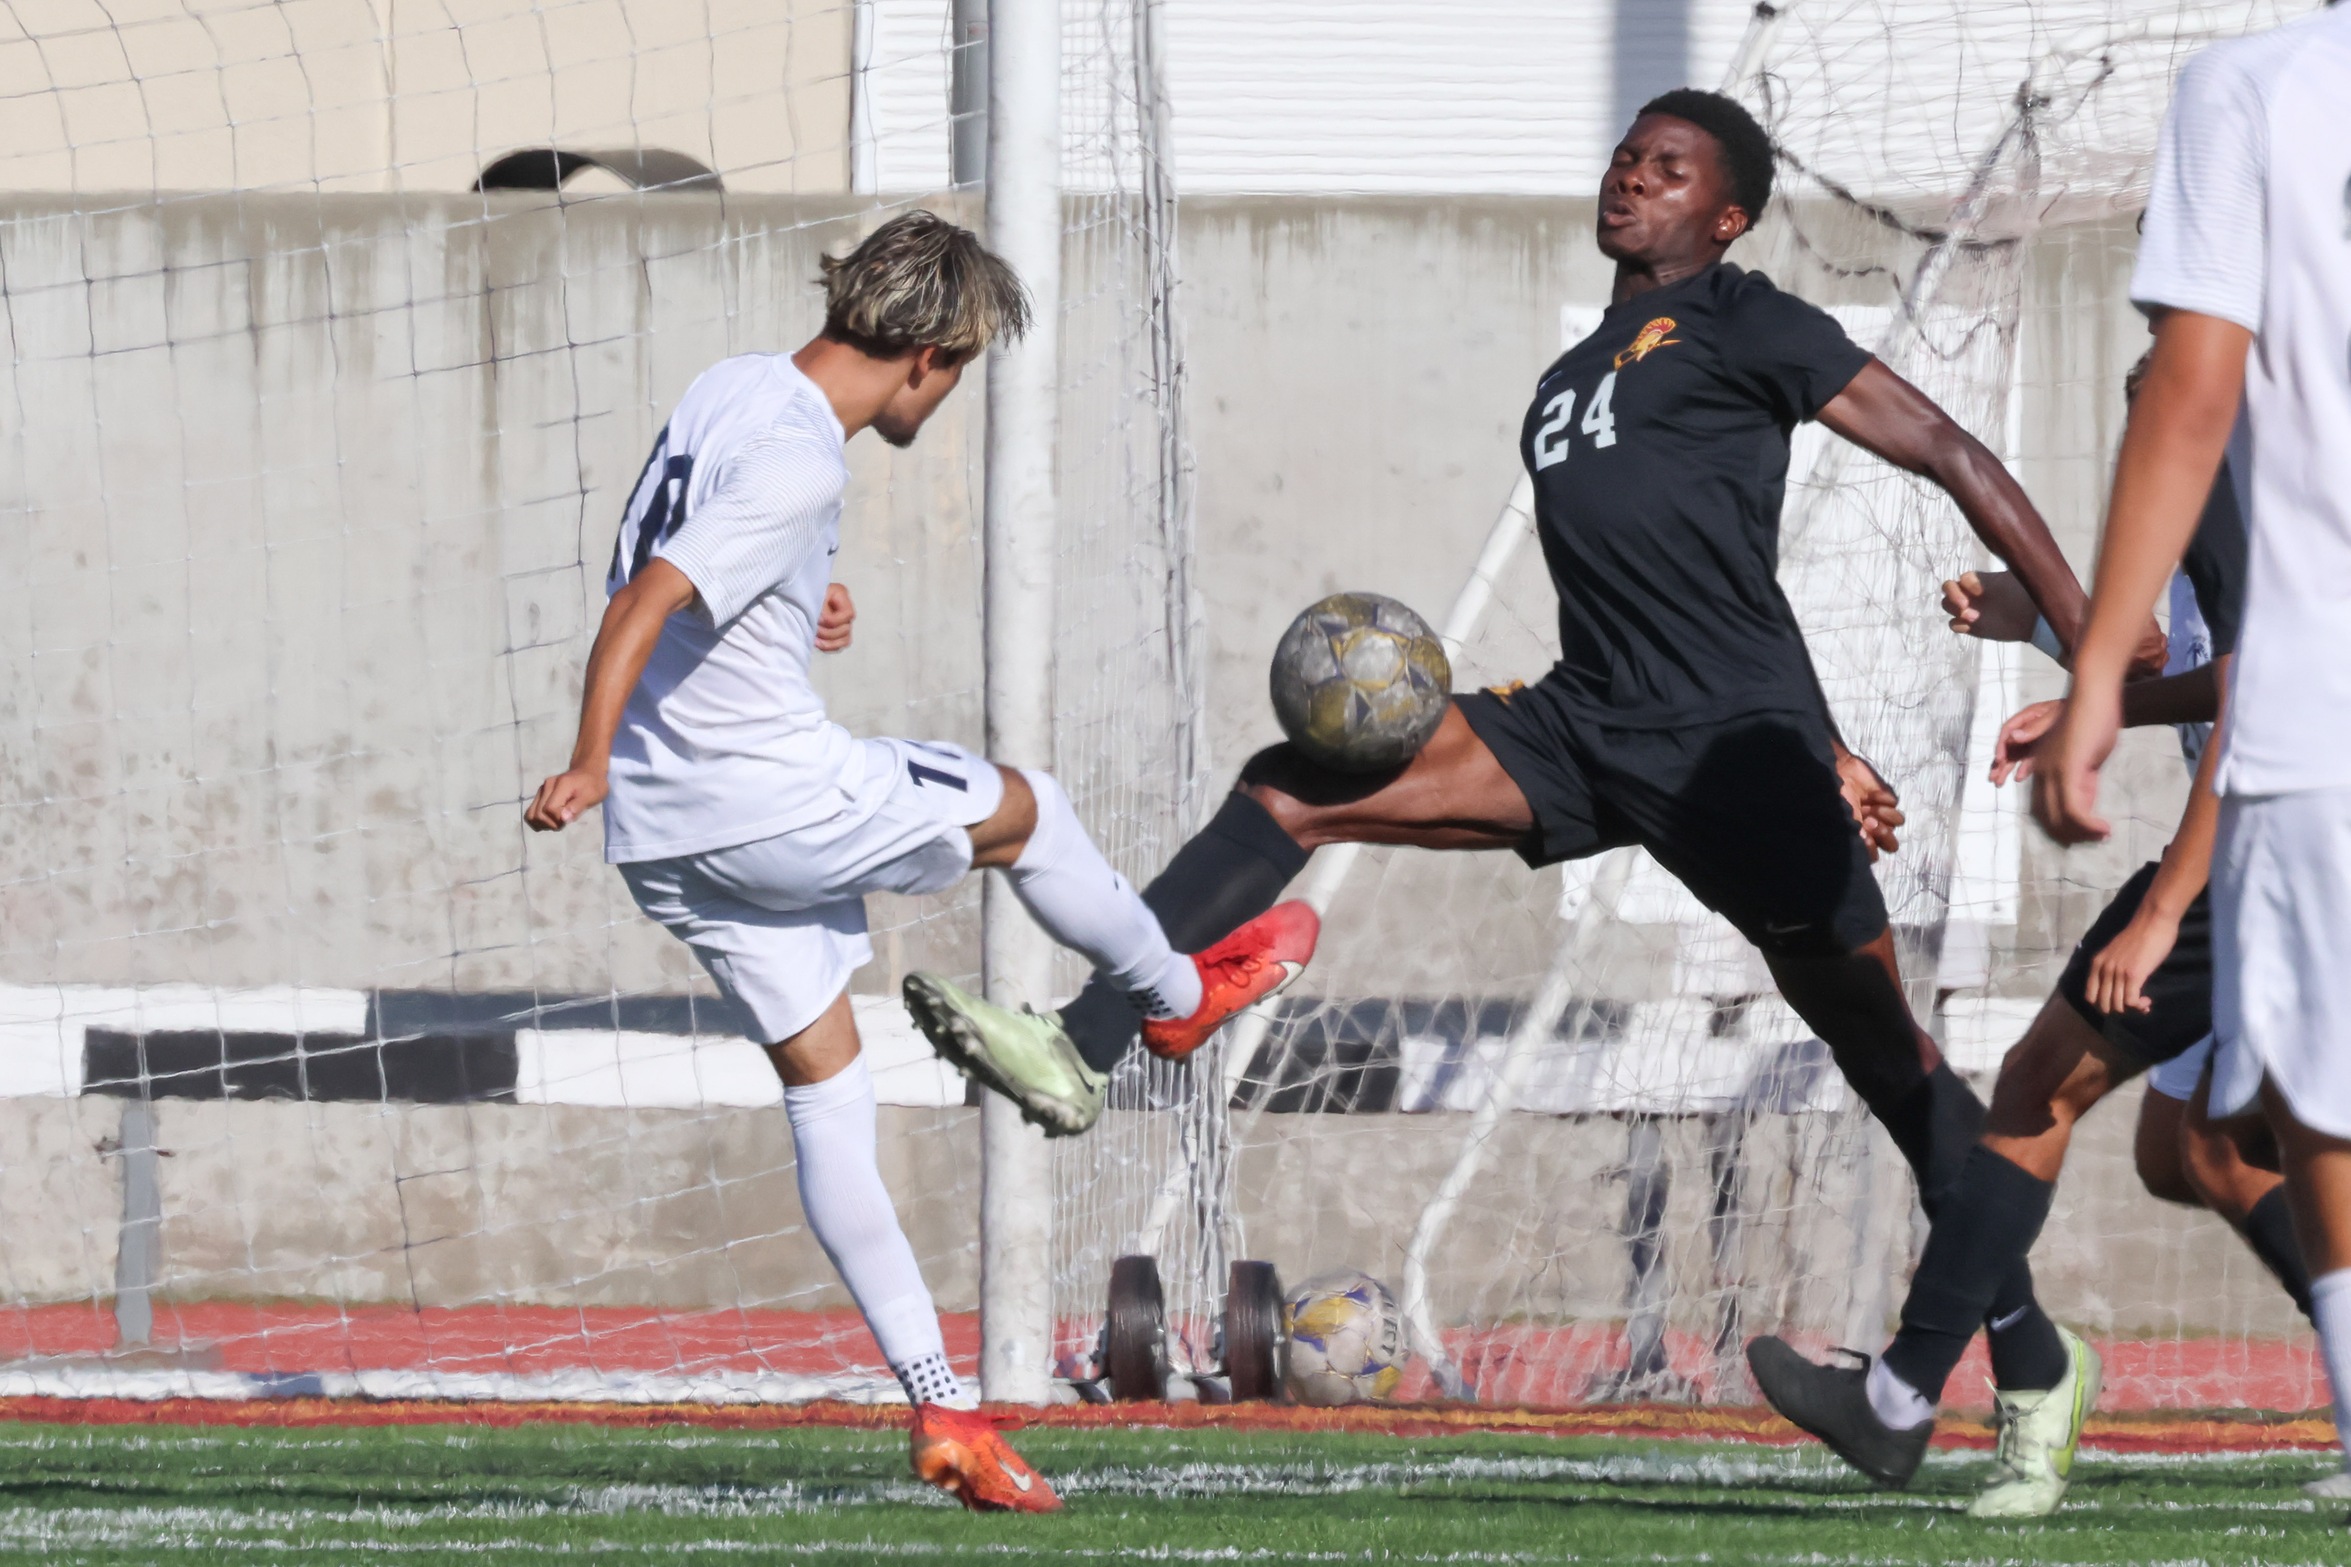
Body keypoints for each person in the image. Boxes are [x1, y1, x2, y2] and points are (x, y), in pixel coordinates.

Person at [905, 89, 2156, 1435]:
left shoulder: (1749, 321)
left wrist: (2081, 652)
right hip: (1585, 725)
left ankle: (2023, 1356)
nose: (1631, 178)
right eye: (1627, 156)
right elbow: (1702, 570)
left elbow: (1947, 452)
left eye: (1668, 169)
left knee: (1890, 1066)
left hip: (1728, 764)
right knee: (1289, 785)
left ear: (1725, 216)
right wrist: (1831, 729)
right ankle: (1088, 1043)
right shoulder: (1568, 380)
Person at [522, 210, 1313, 1511]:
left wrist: (794, 596)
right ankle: (1178, 1005)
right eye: (964, 367)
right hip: (759, 796)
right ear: (930, 355)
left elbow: (697, 552)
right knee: (1026, 808)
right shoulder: (799, 466)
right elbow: (646, 595)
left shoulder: (732, 389)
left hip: (664, 840)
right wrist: (585, 751)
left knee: (827, 1088)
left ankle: (944, 1409)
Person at [1750, 364, 2319, 1516]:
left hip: (2283, 837)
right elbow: (2213, 667)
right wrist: (2076, 665)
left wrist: (2160, 909)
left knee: (2036, 1086)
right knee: (2203, 1150)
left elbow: (2271, 693)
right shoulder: (2270, 470)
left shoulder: (2238, 460)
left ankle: (1909, 1393)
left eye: (2151, 385)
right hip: (2281, 832)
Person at [2031, 0, 2351, 1508]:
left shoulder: (2254, 88)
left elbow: (2190, 389)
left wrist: (2099, 672)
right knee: (2203, 1142)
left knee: (2289, 1118)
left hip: (2309, 732)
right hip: (2287, 729)